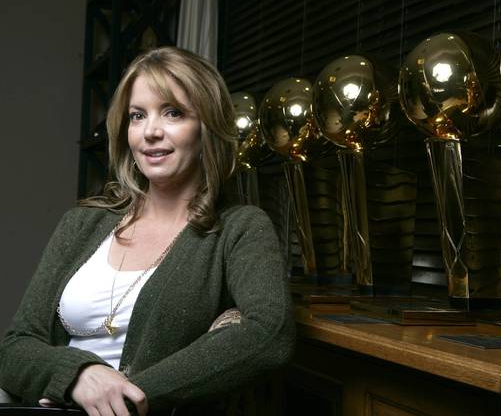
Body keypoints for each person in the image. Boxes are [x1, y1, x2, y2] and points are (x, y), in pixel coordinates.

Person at [0, 47, 295, 415]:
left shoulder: (239, 228)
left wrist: (128, 397)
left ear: (207, 127)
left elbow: (270, 333)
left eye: (173, 113)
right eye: (137, 116)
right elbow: (15, 348)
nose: (151, 132)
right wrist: (77, 375)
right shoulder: (80, 223)